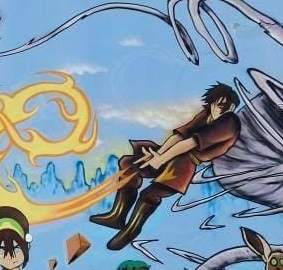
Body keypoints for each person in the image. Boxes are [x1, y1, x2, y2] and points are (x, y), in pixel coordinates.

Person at [90, 82, 241, 250]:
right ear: (212, 103)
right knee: (129, 165)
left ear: (232, 108)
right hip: (171, 154)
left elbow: (190, 143)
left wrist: (161, 159)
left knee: (151, 194)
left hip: (184, 163)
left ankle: (132, 230)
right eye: (218, 105)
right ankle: (117, 215)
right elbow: (180, 135)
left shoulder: (229, 122)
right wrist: (159, 154)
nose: (219, 110)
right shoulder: (206, 114)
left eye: (225, 107)